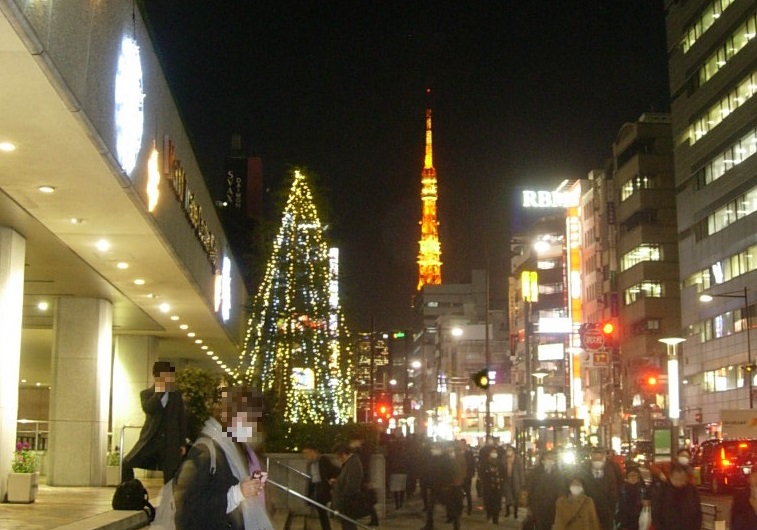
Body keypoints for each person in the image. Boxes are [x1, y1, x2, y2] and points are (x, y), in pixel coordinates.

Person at [173, 386, 273, 530]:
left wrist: (246, 489)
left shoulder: (231, 449)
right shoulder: (206, 452)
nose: (252, 427)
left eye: (255, 420)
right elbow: (187, 510)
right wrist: (236, 494)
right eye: (248, 419)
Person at [122, 361, 187, 484]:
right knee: (126, 463)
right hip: (151, 440)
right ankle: (128, 492)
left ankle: (169, 502)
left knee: (171, 476)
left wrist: (182, 442)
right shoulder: (146, 394)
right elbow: (149, 408)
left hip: (170, 442)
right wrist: (159, 392)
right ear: (156, 376)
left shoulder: (176, 395)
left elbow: (181, 419)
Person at [651, 462, 702, 530]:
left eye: (682, 480)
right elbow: (656, 513)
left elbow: (698, 513)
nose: (679, 483)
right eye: (676, 480)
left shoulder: (692, 490)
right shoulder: (663, 490)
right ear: (671, 477)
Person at [582, 446, 622, 530]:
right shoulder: (584, 468)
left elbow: (619, 482)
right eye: (595, 458)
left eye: (599, 459)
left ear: (604, 457)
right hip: (588, 505)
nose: (597, 461)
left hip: (607, 505)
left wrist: (614, 500)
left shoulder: (613, 467)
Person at [303, 443, 340, 530]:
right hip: (317, 488)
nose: (306, 455)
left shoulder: (323, 460)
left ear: (313, 451)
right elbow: (311, 480)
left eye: (307, 453)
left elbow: (334, 470)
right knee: (321, 512)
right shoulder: (310, 464)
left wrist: (332, 482)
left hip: (324, 488)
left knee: (323, 511)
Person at [526, 450, 564, 530]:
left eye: (552, 459)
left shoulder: (558, 474)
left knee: (548, 525)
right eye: (548, 459)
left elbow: (560, 490)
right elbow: (530, 489)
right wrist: (529, 505)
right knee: (539, 525)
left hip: (551, 507)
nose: (550, 461)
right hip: (537, 505)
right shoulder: (536, 472)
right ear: (543, 460)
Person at [331, 444, 364, 530]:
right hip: (346, 502)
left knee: (349, 526)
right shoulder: (350, 463)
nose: (338, 459)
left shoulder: (353, 464)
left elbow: (351, 485)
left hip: (348, 503)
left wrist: (342, 499)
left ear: (344, 454)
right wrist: (337, 482)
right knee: (347, 526)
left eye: (338, 457)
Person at [478, 444, 505, 523]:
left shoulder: (499, 463)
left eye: (495, 452)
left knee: (497, 503)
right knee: (489, 502)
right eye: (492, 452)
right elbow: (482, 474)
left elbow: (503, 473)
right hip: (488, 487)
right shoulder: (485, 464)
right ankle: (489, 514)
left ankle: (495, 518)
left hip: (497, 486)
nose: (494, 454)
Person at [502, 444, 524, 519]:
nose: (508, 452)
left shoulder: (518, 459)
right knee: (508, 496)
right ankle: (507, 511)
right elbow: (502, 468)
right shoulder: (504, 459)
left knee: (516, 497)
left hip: (515, 480)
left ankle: (515, 512)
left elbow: (521, 471)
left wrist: (522, 483)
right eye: (507, 450)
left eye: (510, 450)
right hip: (507, 480)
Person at [458, 439, 476, 516]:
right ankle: (460, 508)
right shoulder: (457, 454)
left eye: (462, 444)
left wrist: (470, 475)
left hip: (467, 476)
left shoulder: (469, 453)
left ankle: (469, 509)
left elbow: (472, 465)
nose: (461, 446)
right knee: (459, 494)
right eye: (460, 444)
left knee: (468, 493)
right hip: (459, 477)